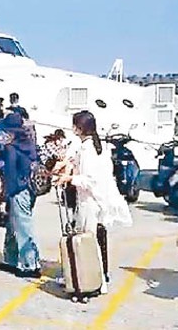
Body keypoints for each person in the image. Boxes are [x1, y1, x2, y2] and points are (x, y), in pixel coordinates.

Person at [55, 111, 132, 293]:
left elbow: (90, 180)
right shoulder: (95, 146)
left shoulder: (89, 150)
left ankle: (96, 283)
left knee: (89, 242)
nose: (72, 128)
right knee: (93, 240)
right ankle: (88, 276)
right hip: (95, 201)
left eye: (74, 125)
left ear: (80, 128)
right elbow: (75, 156)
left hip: (90, 202)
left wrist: (68, 178)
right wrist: (66, 163)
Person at [0, 112, 42, 278]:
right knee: (13, 225)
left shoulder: (11, 149)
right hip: (30, 189)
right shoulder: (29, 143)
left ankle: (31, 264)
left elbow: (10, 174)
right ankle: (11, 259)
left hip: (17, 190)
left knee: (22, 227)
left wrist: (5, 196)